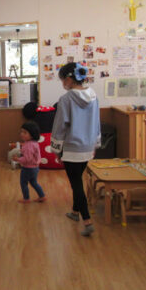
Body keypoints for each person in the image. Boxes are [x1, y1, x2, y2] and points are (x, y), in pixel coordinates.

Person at [50, 62, 101, 237]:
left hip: (71, 148)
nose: (62, 83)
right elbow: (97, 122)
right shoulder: (93, 96)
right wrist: (95, 143)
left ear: (69, 79)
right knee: (78, 179)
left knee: (76, 185)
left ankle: (87, 221)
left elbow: (60, 126)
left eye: (62, 80)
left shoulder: (66, 99)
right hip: (88, 147)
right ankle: (74, 211)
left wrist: (57, 149)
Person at [12, 121, 46, 203]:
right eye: (21, 131)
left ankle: (26, 198)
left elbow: (27, 159)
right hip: (35, 167)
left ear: (32, 134)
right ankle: (42, 196)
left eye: (25, 132)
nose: (22, 134)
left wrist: (18, 159)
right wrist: (22, 151)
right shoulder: (33, 143)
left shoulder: (28, 145)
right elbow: (31, 154)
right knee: (34, 182)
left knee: (23, 183)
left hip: (28, 168)